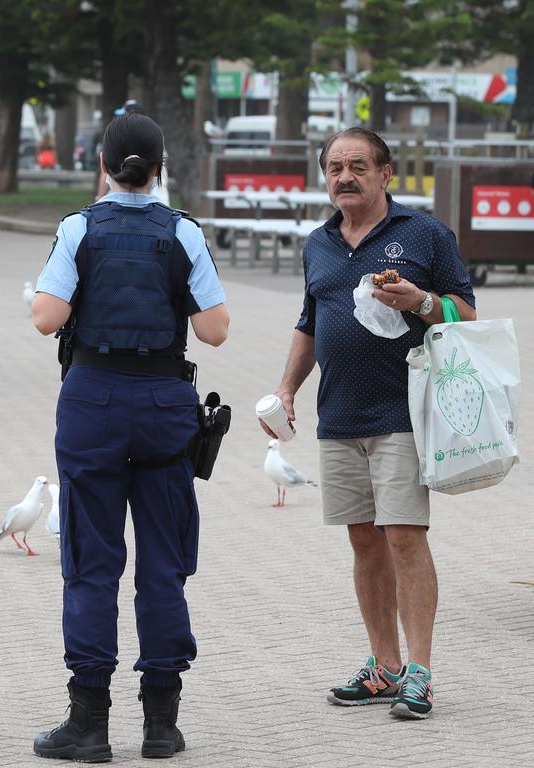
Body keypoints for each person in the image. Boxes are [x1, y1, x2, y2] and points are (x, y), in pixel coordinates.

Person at [30, 112, 230, 762]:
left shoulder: (79, 227)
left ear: (103, 165)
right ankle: (161, 724)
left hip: (91, 403)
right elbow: (216, 330)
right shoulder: (184, 233)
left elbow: (47, 318)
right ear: (162, 167)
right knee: (163, 564)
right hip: (165, 406)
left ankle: (87, 725)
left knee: (92, 562)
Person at [259, 127, 476, 720]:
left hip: (405, 411)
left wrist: (422, 303)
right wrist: (286, 389)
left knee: (405, 535)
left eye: (358, 166)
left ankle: (420, 672)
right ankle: (384, 667)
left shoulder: (424, 234)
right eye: (334, 168)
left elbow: (466, 312)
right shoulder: (319, 242)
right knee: (363, 540)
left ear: (386, 175)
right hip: (341, 413)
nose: (344, 177)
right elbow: (310, 322)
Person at [96, 100, 170, 205]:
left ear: (103, 163)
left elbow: (104, 176)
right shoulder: (154, 137)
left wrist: (98, 200)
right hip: (159, 202)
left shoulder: (79, 221)